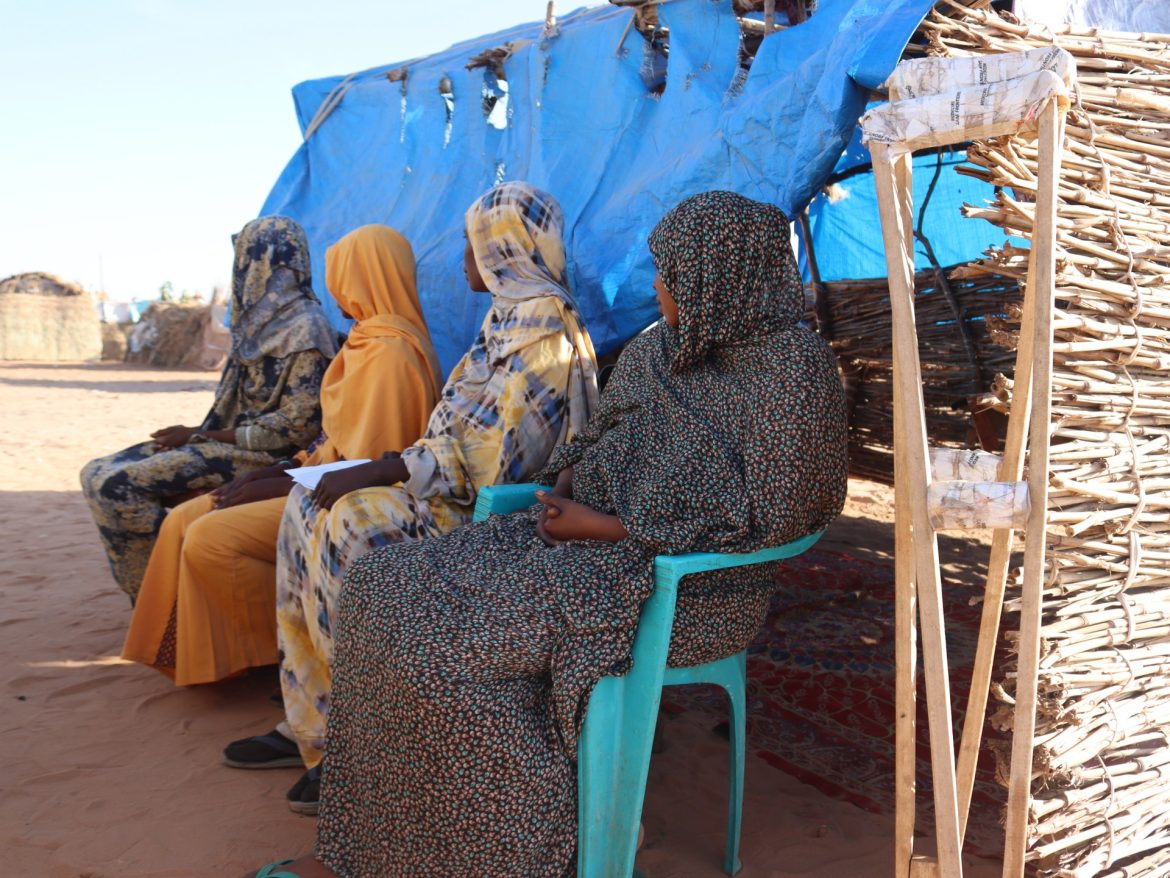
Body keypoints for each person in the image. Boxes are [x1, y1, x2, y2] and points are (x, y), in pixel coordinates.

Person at [244, 190, 849, 878]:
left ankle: (518, 855)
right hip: (577, 547)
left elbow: (782, 511)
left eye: (672, 274)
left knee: (454, 652)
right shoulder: (663, 352)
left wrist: (614, 526)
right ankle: (375, 848)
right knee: (383, 590)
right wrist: (567, 481)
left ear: (723, 274)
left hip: (687, 585)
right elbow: (594, 434)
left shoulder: (792, 374)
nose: (657, 288)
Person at [225, 181, 599, 807]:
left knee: (354, 522)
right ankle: (316, 719)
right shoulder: (507, 316)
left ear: (499, 246)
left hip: (490, 518)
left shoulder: (541, 329)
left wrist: (382, 471)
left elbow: (493, 462)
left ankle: (364, 746)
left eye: (469, 242)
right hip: (449, 491)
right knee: (307, 504)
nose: (461, 258)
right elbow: (456, 436)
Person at [120, 225, 441, 686]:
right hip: (316, 477)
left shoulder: (391, 356)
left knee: (210, 536)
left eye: (343, 274)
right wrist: (276, 471)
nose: (335, 288)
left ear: (364, 275)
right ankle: (184, 647)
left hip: (341, 497)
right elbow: (328, 443)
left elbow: (362, 466)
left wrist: (275, 482)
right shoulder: (365, 343)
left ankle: (265, 655)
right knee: (183, 519)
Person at [81, 216, 336, 602]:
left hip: (265, 453)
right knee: (95, 472)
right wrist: (198, 435)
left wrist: (200, 436)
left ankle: (162, 603)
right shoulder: (253, 324)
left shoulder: (306, 328)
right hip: (224, 441)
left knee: (120, 486)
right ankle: (154, 598)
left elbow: (294, 429)